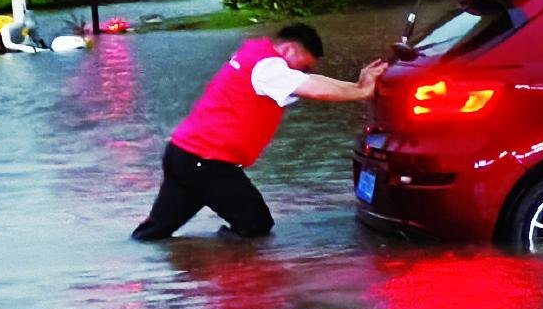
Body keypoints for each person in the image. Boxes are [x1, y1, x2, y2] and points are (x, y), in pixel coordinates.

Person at [132, 23, 386, 240]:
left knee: (155, 233)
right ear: (290, 49)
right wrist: (362, 92)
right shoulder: (269, 68)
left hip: (184, 155)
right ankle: (224, 274)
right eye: (305, 66)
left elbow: (313, 83)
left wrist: (356, 85)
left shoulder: (255, 55)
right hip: (206, 162)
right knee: (255, 226)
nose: (304, 73)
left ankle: (166, 277)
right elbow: (313, 88)